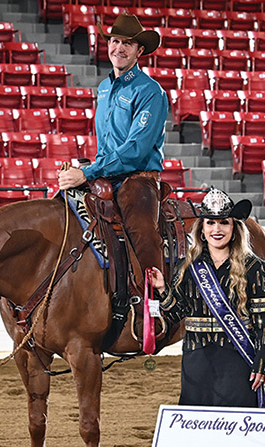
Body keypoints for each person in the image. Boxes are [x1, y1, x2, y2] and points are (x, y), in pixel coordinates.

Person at [57, 13, 168, 273]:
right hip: (105, 173)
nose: (119, 48)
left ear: (139, 50)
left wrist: (86, 172)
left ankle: (157, 298)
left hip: (137, 179)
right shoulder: (104, 89)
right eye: (115, 41)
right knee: (59, 211)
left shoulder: (150, 91)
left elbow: (134, 151)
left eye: (127, 43)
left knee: (142, 232)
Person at [147, 188, 265, 408]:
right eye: (210, 223)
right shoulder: (187, 267)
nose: (217, 229)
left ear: (234, 228)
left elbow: (263, 322)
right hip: (196, 359)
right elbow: (175, 314)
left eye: (224, 223)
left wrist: (263, 362)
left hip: (237, 357)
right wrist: (162, 289)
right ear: (202, 229)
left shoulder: (254, 266)